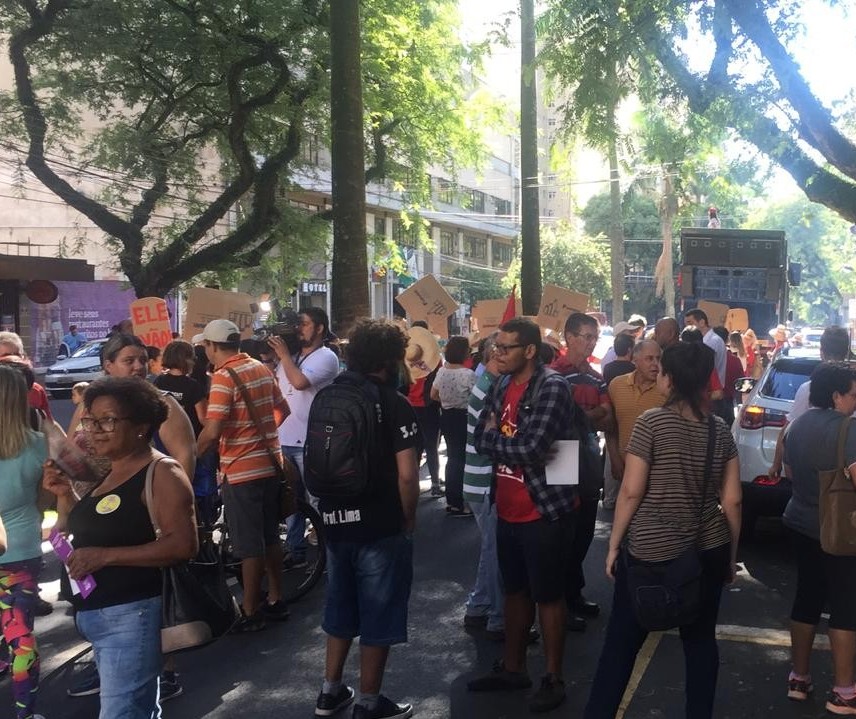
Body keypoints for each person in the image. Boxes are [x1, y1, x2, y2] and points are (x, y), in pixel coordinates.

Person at [585, 341, 742, 719]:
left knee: (622, 643)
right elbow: (733, 500)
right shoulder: (719, 430)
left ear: (670, 379)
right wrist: (731, 557)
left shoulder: (651, 422)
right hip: (707, 547)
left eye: (663, 369)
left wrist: (613, 545)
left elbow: (632, 490)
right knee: (701, 641)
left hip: (651, 551)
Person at [43, 377, 198, 719]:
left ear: (142, 427)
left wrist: (106, 556)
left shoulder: (163, 472)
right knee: (138, 710)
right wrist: (65, 495)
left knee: (123, 714)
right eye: (90, 420)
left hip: (132, 614)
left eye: (107, 420)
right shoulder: (109, 471)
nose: (93, 430)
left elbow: (183, 545)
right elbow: (79, 526)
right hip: (100, 614)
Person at [467, 318, 577, 714]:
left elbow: (532, 449)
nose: (498, 353)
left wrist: (499, 439)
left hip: (545, 508)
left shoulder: (552, 387)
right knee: (514, 591)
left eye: (507, 347)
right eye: (497, 346)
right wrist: (502, 440)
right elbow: (479, 437)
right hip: (508, 506)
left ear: (529, 351)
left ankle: (552, 677)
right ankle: (513, 668)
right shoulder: (499, 384)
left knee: (548, 596)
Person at [313, 319, 419, 719]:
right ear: (390, 359)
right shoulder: (394, 403)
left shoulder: (332, 394)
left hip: (335, 519)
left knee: (339, 606)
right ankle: (370, 703)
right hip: (379, 522)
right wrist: (409, 518)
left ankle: (330, 691)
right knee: (379, 611)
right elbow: (408, 474)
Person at [195, 319, 290, 630]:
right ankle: (276, 598)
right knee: (270, 535)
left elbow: (212, 430)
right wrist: (260, 432)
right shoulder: (260, 369)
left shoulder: (223, 378)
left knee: (248, 545)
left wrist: (192, 456)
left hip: (241, 470)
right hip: (270, 464)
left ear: (211, 346)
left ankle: (250, 610)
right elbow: (282, 410)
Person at [781, 363, 856, 713]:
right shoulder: (849, 430)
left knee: (806, 598)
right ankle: (843, 691)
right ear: (838, 395)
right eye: (854, 393)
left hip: (800, 520)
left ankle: (799, 676)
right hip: (840, 530)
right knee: (844, 605)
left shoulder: (796, 427)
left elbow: (791, 472)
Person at [551, 312, 613, 631]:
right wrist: (591, 413)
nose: (591, 343)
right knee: (564, 528)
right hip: (560, 452)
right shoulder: (552, 373)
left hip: (588, 449)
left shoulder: (595, 375)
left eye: (594, 337)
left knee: (585, 526)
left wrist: (581, 415)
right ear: (569, 337)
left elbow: (607, 417)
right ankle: (559, 602)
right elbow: (558, 420)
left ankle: (572, 594)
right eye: (586, 336)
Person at [267, 307, 340, 569]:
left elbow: (299, 383)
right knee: (291, 501)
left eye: (304, 324)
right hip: (283, 438)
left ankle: (326, 552)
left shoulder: (326, 357)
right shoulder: (292, 356)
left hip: (311, 440)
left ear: (319, 327)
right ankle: (295, 550)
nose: (299, 329)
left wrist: (284, 356)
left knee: (316, 499)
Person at [0, 365, 52, 719]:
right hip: (21, 552)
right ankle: (25, 713)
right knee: (22, 638)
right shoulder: (37, 445)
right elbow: (44, 500)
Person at [462, 334, 505, 639]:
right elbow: (492, 442)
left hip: (477, 482)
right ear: (495, 354)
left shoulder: (487, 382)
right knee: (497, 553)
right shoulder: (492, 387)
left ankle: (479, 605)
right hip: (484, 483)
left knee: (491, 549)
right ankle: (499, 618)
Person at [768, 326, 850, 479]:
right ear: (846, 352)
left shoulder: (809, 389)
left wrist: (776, 464)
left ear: (821, 352)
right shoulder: (852, 390)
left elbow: (787, 430)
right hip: (844, 475)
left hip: (811, 471)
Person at [153, 340, 218, 526]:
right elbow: (204, 419)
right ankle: (202, 523)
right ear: (186, 360)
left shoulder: (159, 382)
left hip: (163, 444)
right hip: (193, 444)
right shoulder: (193, 386)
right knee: (200, 489)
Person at [606, 340, 667, 492]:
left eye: (658, 359)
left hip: (657, 472)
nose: (655, 364)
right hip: (623, 468)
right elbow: (611, 426)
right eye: (649, 358)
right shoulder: (616, 385)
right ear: (635, 360)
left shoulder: (667, 390)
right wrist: (614, 458)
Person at [431, 335, 476, 516]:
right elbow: (477, 399)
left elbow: (433, 395)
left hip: (447, 417)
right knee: (463, 459)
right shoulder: (468, 374)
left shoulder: (442, 371)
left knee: (453, 458)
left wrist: (447, 399)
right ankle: (460, 502)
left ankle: (453, 500)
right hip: (463, 417)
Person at [404, 323, 442, 496]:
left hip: (408, 408)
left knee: (414, 448)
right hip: (429, 408)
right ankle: (435, 484)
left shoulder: (403, 362)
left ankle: (414, 486)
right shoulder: (435, 362)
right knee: (431, 446)